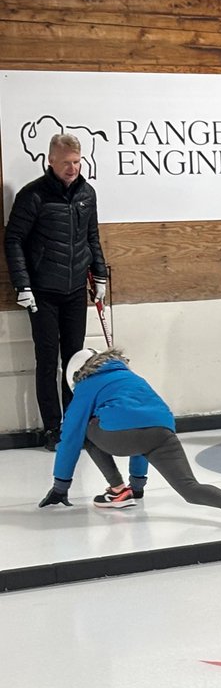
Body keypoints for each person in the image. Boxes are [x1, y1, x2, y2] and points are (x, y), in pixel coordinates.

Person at [35, 347, 221, 528]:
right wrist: (138, 484)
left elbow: (70, 438)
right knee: (189, 488)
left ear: (76, 376)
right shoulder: (132, 378)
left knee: (83, 430)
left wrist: (60, 486)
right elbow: (141, 428)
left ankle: (117, 491)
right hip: (163, 431)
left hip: (120, 436)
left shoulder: (86, 384)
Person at [4, 132, 108, 452]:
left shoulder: (87, 194)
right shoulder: (32, 196)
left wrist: (100, 276)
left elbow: (92, 238)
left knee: (76, 362)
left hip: (76, 289)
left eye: (77, 162)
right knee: (47, 361)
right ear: (50, 160)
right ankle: (53, 429)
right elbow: (14, 240)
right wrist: (23, 285)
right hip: (43, 293)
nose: (73, 168)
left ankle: (77, 425)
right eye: (66, 163)